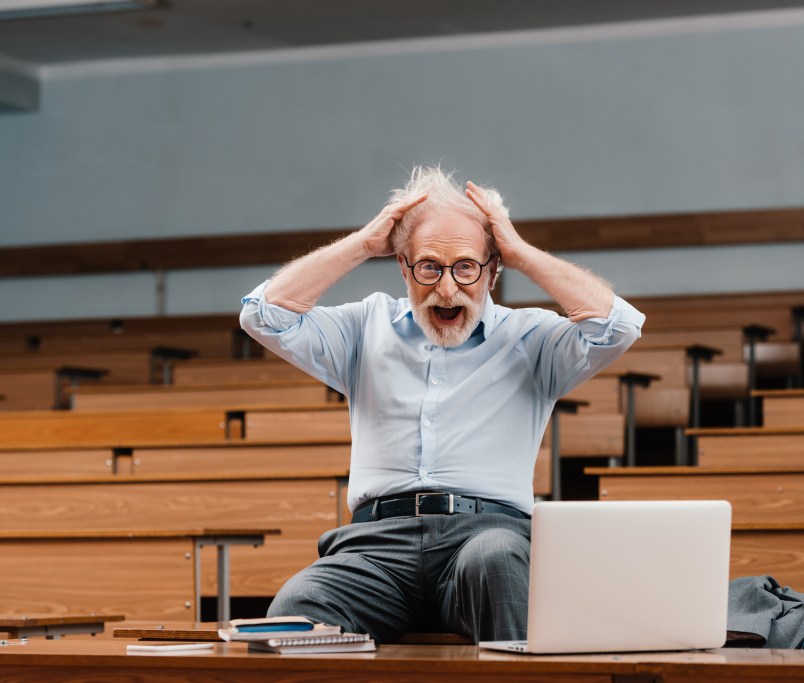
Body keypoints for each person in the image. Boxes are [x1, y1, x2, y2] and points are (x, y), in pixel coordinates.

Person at [239, 166, 645, 643]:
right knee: (298, 605)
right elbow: (263, 316)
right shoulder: (364, 327)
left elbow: (618, 327)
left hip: (487, 535)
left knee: (496, 560)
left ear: (493, 271)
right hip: (374, 550)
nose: (447, 289)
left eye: (466, 267)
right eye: (429, 266)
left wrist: (521, 252)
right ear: (404, 267)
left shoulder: (530, 337)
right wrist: (364, 243)